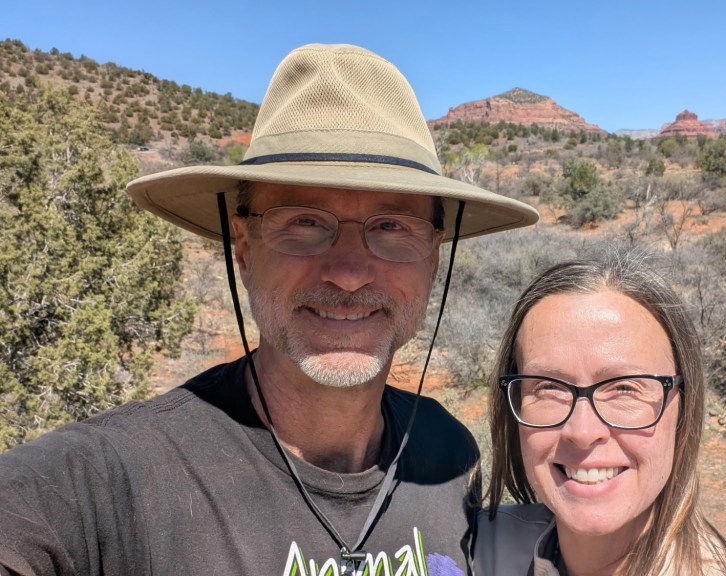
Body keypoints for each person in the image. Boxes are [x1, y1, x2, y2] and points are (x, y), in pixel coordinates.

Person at [0, 44, 537, 575]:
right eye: (304, 222)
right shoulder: (110, 479)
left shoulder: (447, 454)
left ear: (434, 258)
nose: (348, 271)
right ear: (243, 250)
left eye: (392, 226)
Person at [474, 254, 726, 576]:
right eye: (549, 387)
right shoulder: (476, 553)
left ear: (684, 410)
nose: (583, 431)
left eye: (625, 388)